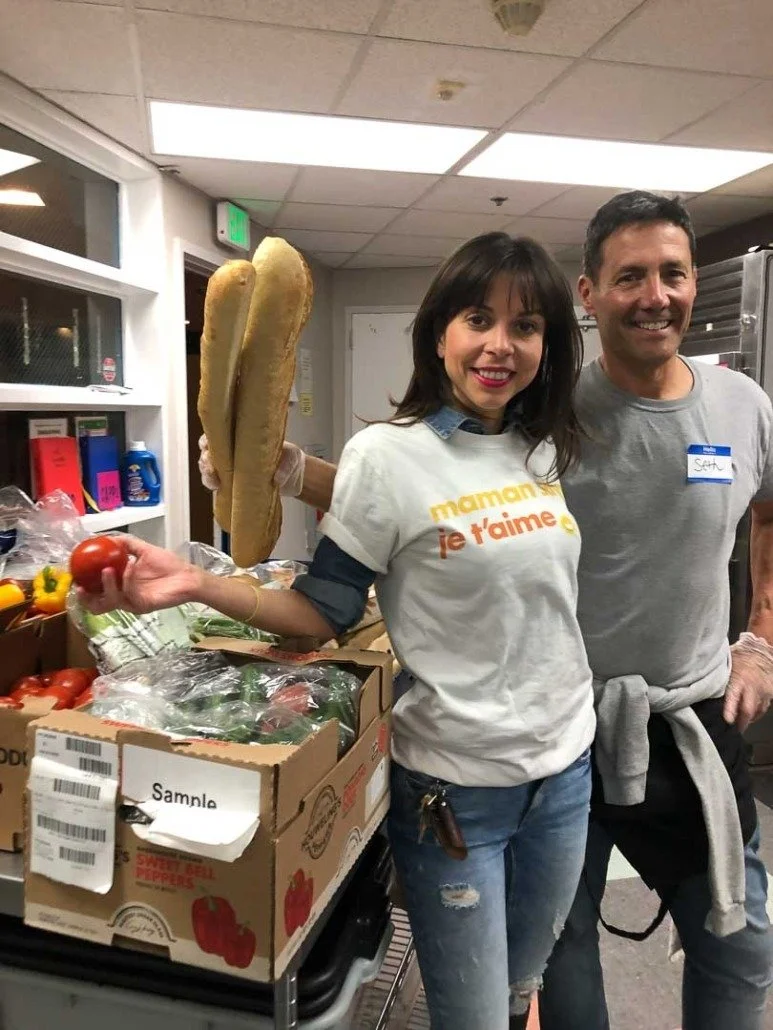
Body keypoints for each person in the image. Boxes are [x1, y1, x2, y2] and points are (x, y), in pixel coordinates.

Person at [224, 191, 773, 1028]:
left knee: (739, 946)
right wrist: (291, 472)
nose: (654, 296)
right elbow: (436, 495)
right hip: (566, 731)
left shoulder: (739, 404)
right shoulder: (549, 409)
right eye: (629, 276)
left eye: (672, 273)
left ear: (695, 280)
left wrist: (759, 637)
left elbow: (764, 514)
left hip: (689, 721)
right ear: (589, 293)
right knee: (561, 961)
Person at [83, 232, 597, 1030]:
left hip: (564, 774)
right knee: (471, 1016)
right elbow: (321, 611)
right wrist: (196, 583)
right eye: (477, 319)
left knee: (518, 987)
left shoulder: (544, 450)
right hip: (457, 791)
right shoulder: (385, 456)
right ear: (439, 334)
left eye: (525, 325)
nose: (500, 344)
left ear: (547, 345)